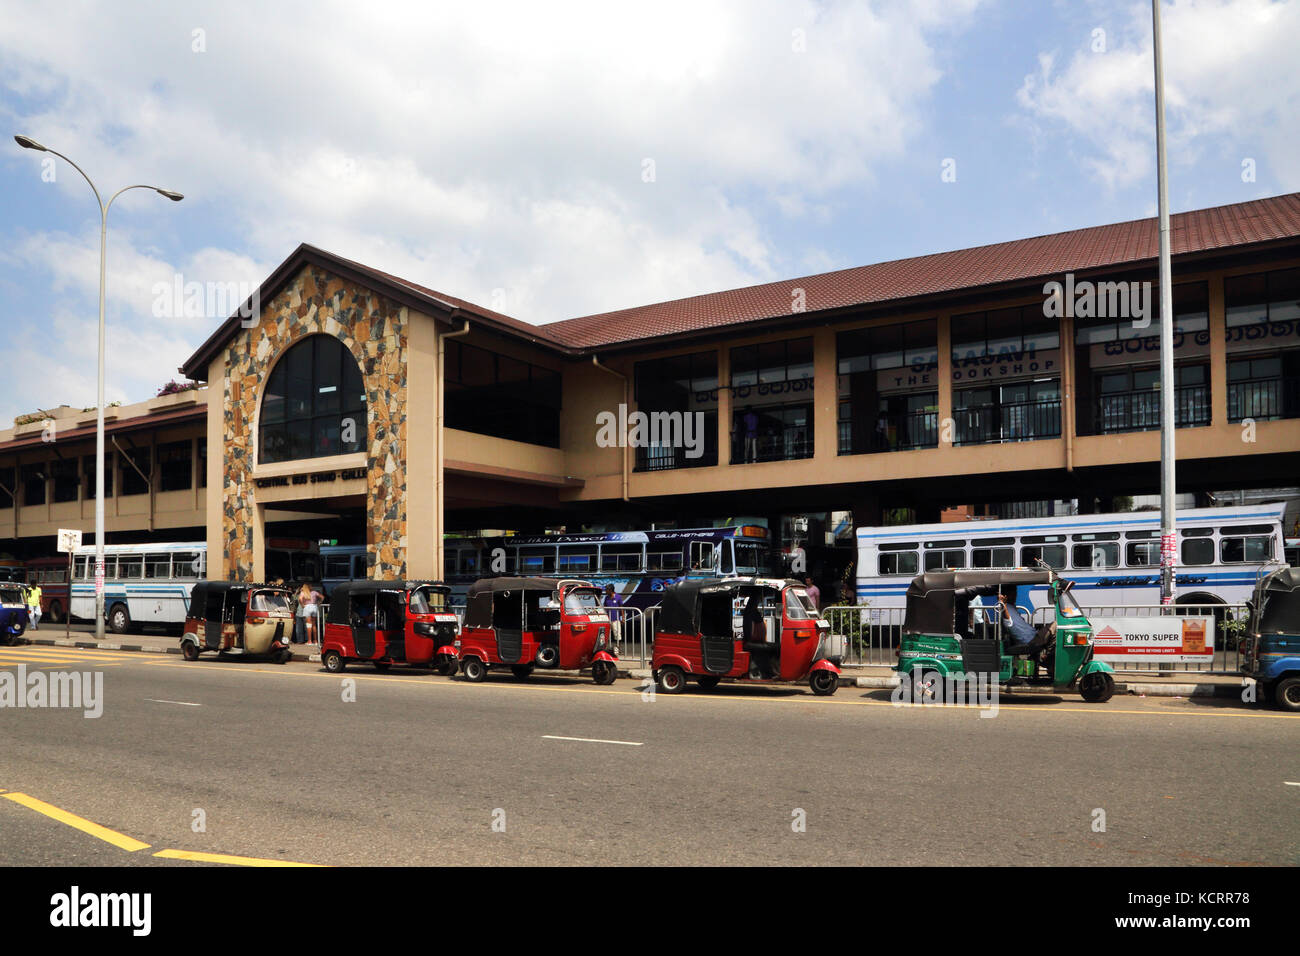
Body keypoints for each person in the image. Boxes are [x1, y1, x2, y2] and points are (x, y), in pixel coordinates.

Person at [602, 584, 623, 648]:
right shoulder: (606, 598)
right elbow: (605, 607)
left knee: (617, 634)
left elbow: (621, 608)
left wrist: (622, 618)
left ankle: (618, 648)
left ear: (610, 590)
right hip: (608, 619)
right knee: (606, 634)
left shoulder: (618, 597)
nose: (605, 592)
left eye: (606, 590)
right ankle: (605, 648)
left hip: (616, 619)